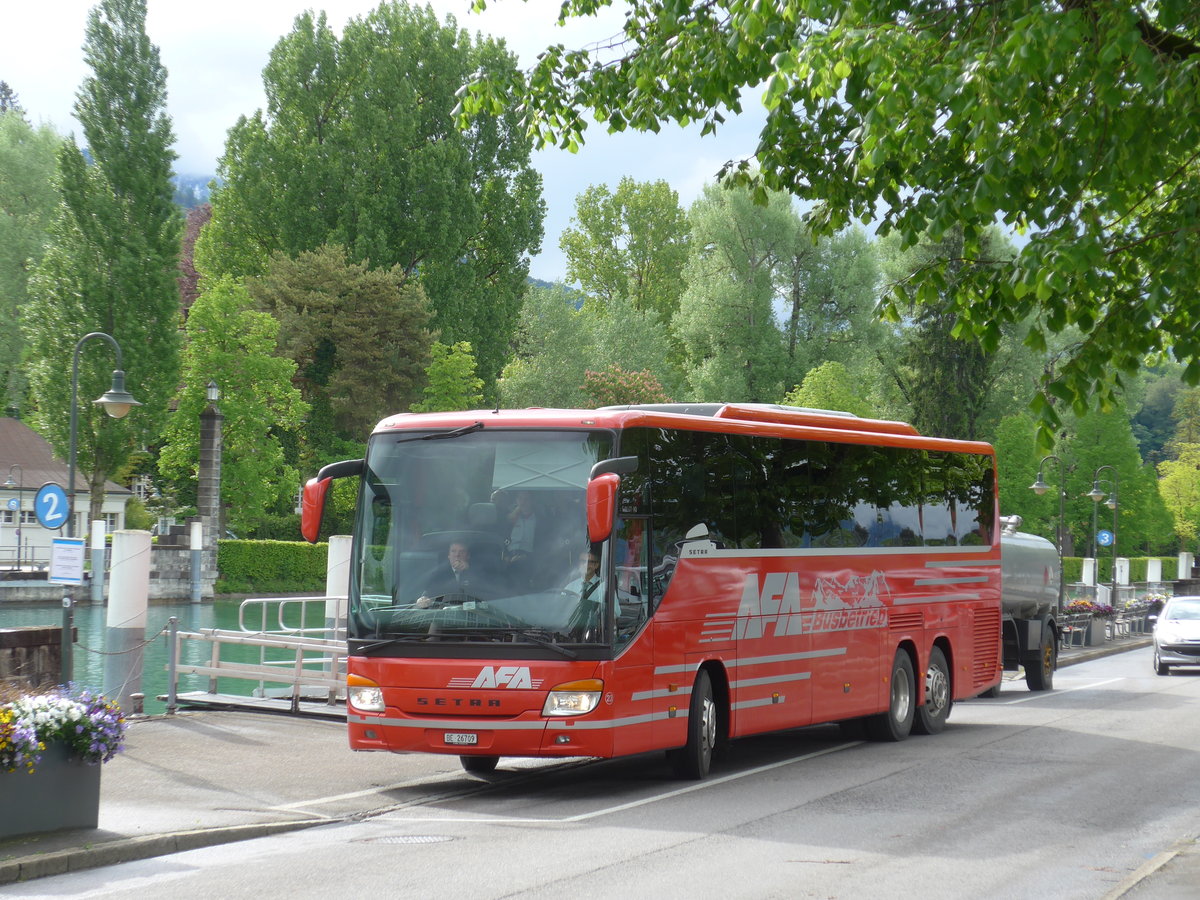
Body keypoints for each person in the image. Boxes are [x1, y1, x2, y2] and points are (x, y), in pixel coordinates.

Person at [416, 541, 474, 607]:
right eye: (453, 551)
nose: (457, 555)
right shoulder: (438, 575)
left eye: (462, 551)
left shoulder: (476, 573)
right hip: (444, 614)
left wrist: (469, 571)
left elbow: (483, 593)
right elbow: (427, 596)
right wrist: (423, 600)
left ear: (468, 556)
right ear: (449, 556)